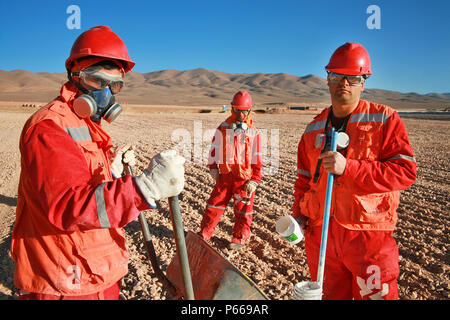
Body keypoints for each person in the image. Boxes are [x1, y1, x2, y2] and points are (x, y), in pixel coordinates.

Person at [10, 26, 185, 300]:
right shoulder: (49, 127)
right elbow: (67, 205)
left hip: (93, 270)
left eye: (114, 85)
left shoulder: (85, 124)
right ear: (74, 76)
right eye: (96, 82)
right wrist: (144, 188)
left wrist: (112, 171)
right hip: (64, 280)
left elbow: (83, 181)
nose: (106, 94)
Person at [293, 42, 417, 300]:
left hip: (367, 236)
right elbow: (304, 179)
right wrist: (299, 216)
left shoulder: (385, 119)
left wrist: (348, 168)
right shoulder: (313, 128)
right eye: (337, 76)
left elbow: (404, 172)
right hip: (321, 236)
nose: (344, 84)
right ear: (328, 80)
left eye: (353, 78)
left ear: (364, 82)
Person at [198, 91, 263, 250]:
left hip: (244, 179)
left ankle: (239, 238)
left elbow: (257, 158)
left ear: (249, 110)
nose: (241, 114)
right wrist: (213, 167)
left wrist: (255, 179)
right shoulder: (224, 127)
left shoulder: (254, 132)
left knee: (243, 210)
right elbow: (214, 148)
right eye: (238, 110)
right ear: (232, 109)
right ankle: (205, 233)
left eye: (244, 110)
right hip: (225, 176)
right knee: (214, 206)